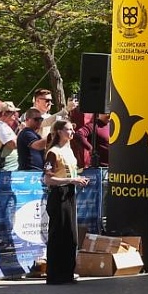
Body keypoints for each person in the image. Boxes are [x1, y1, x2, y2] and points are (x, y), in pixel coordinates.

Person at [42, 119, 89, 285]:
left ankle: (67, 273)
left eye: (72, 129)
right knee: (58, 235)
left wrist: (77, 179)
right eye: (68, 129)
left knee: (70, 236)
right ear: (59, 132)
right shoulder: (53, 152)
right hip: (58, 194)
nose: (72, 132)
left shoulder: (68, 150)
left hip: (69, 193)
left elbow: (70, 173)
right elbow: (48, 179)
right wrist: (71, 180)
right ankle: (55, 275)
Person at [0, 102, 21, 171]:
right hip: (8, 168)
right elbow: (13, 144)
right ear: (4, 113)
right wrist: (22, 131)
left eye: (15, 112)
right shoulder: (2, 127)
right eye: (12, 112)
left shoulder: (4, 126)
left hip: (12, 168)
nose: (15, 114)